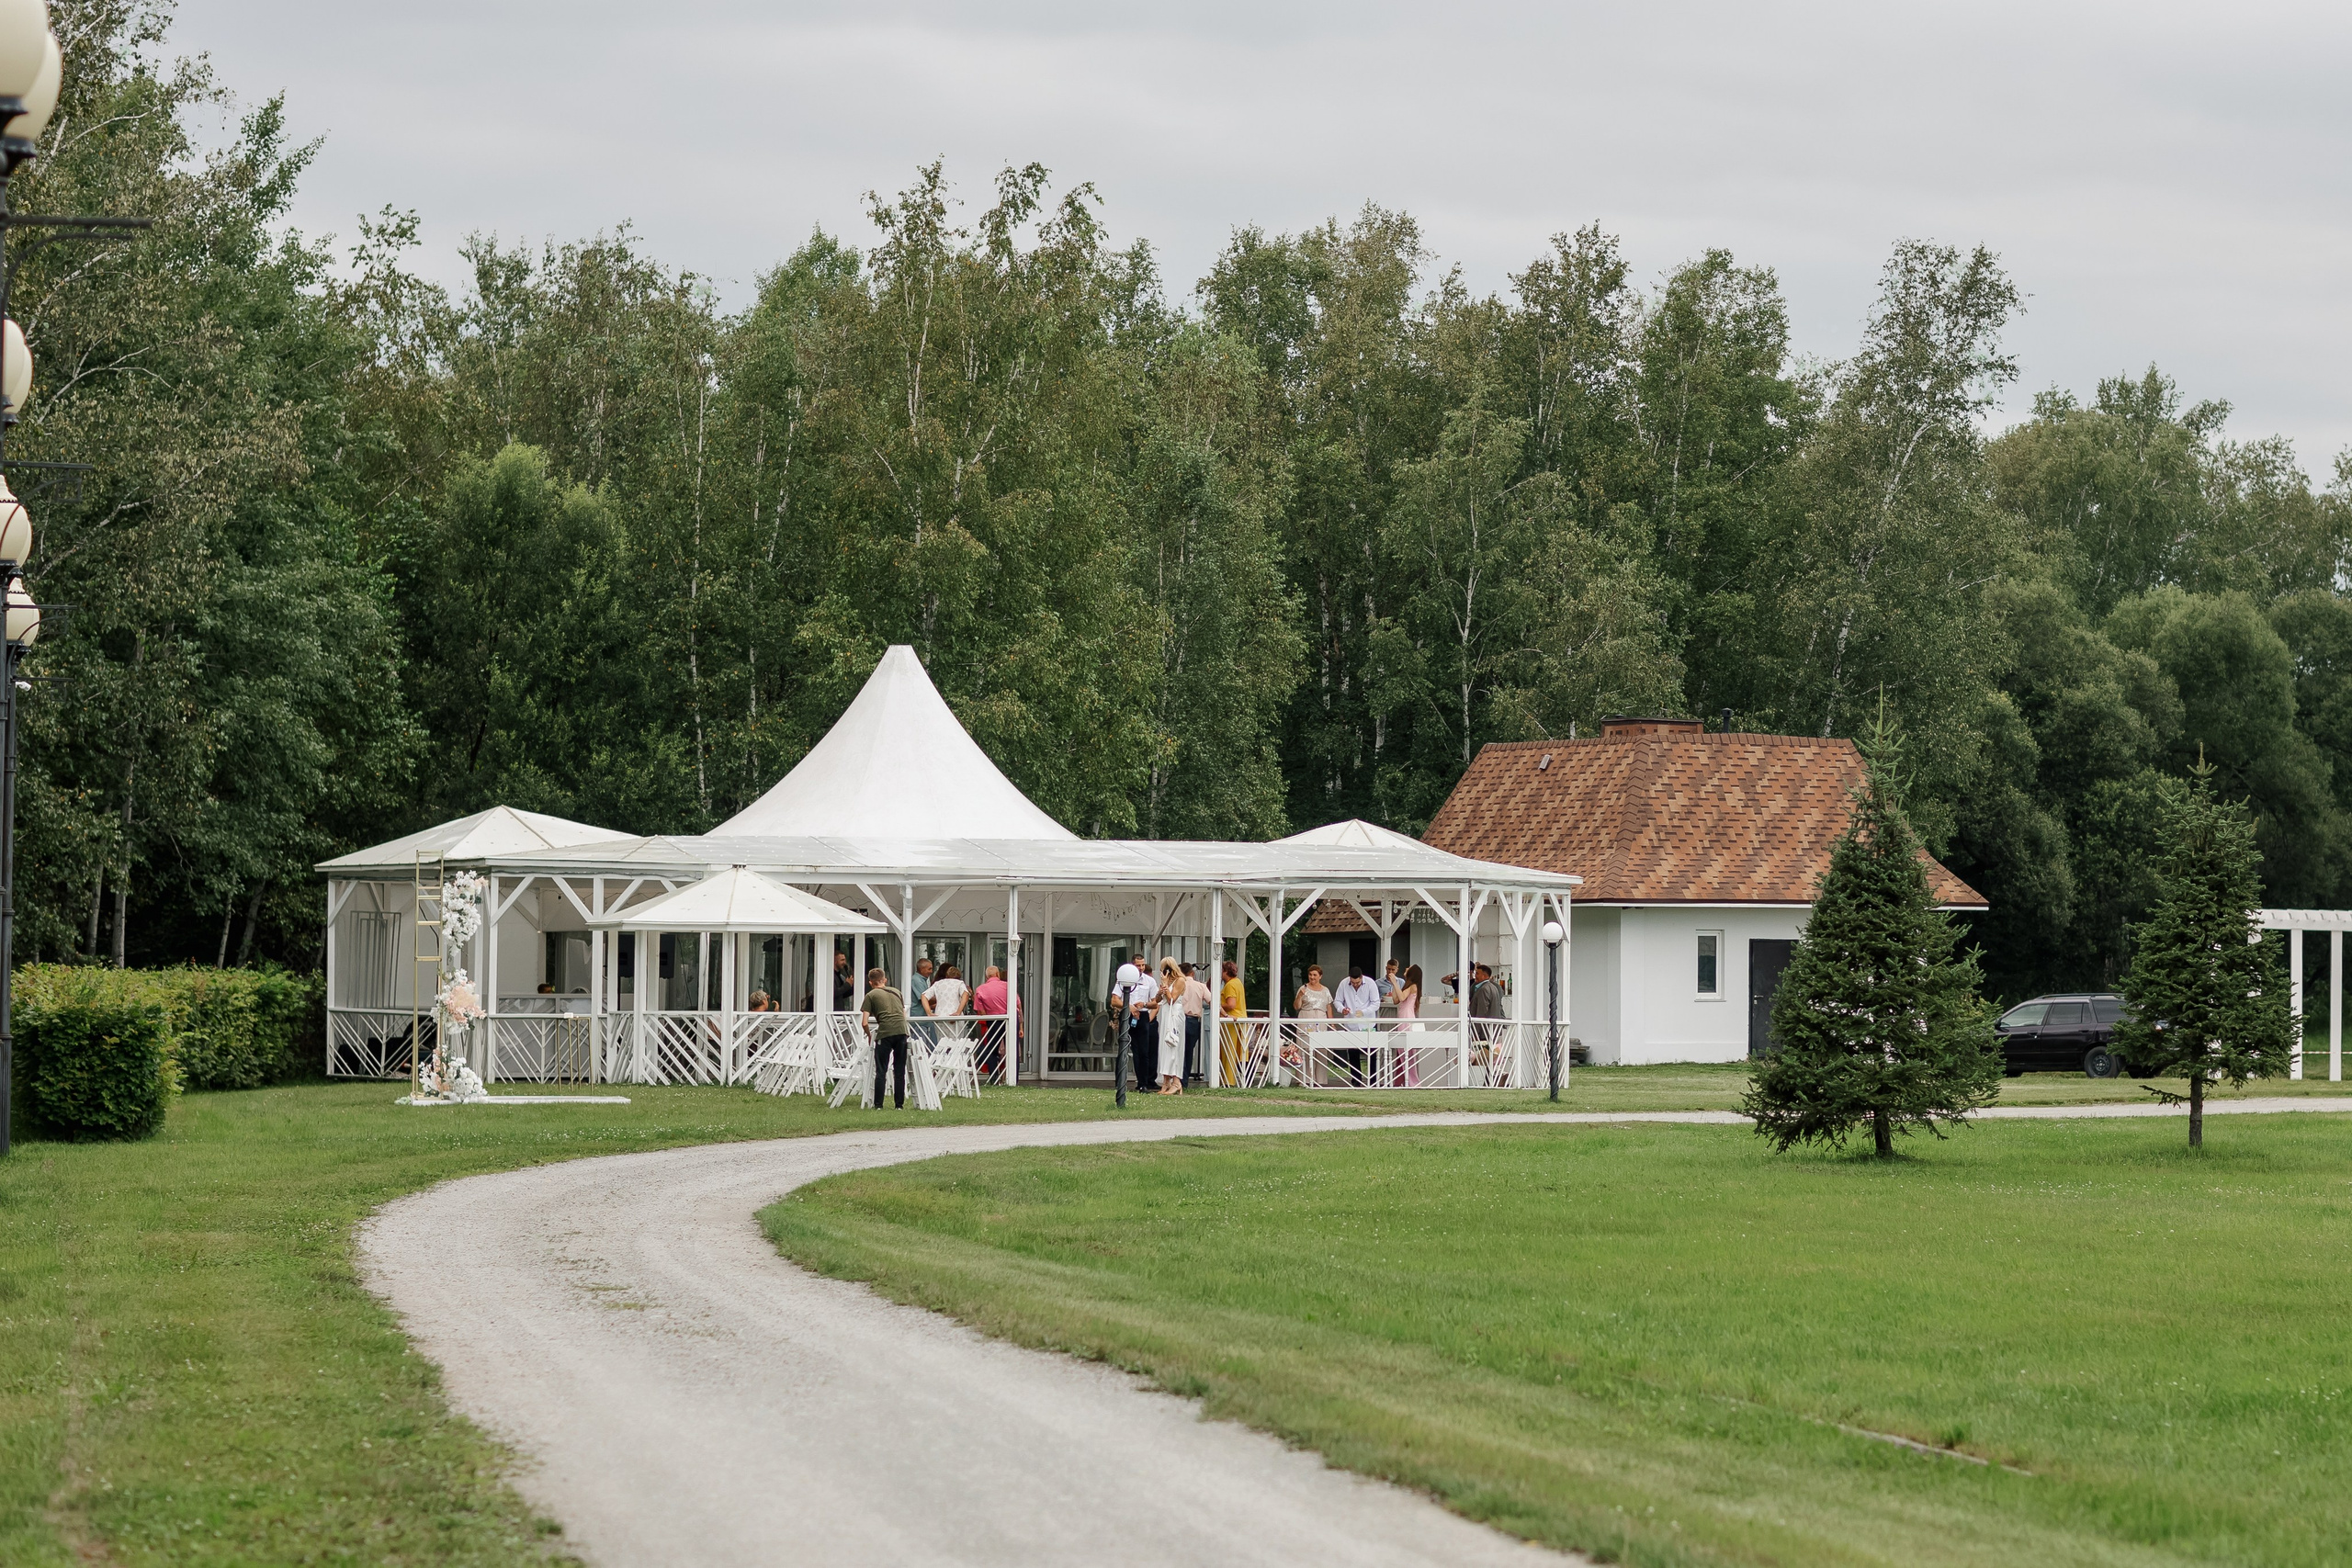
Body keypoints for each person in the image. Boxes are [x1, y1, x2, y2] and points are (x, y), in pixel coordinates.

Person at [861, 965, 910, 1109]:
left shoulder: (871, 995)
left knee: (881, 1070)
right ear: (885, 980)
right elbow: (903, 1015)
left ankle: (878, 1105)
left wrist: (869, 1035)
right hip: (902, 1032)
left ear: (871, 983)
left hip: (885, 1033)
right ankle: (899, 1105)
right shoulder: (897, 992)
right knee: (899, 1070)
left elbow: (864, 1022)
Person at [1333, 962, 1381, 1087]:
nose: (1355, 985)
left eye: (1357, 983)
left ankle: (1372, 1081)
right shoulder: (1344, 984)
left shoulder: (1370, 983)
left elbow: (1376, 1003)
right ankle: (1356, 1080)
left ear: (1361, 977)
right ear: (1350, 978)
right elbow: (1337, 1001)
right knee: (1353, 1054)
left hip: (1368, 1024)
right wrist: (1341, 1009)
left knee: (1371, 1053)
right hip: (1351, 1023)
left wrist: (1364, 1012)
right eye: (1353, 983)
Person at [1154, 958, 1188, 1093]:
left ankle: (1176, 1081)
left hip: (1175, 1013)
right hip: (1166, 1013)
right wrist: (1161, 989)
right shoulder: (1166, 981)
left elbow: (1172, 999)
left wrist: (1166, 987)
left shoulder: (1180, 980)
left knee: (1174, 1045)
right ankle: (1166, 1081)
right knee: (1164, 1047)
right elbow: (1158, 1000)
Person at [1179, 962, 1209, 1083]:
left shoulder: (1178, 985)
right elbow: (1211, 1000)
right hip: (1193, 1020)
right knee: (1189, 1050)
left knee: (1178, 1050)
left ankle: (1177, 1078)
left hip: (1180, 1018)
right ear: (1192, 972)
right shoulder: (1201, 986)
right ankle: (1184, 1080)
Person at [1218, 959, 1247, 1084]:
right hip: (1241, 1019)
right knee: (1237, 1052)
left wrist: (1218, 1005)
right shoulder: (1238, 982)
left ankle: (1228, 1080)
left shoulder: (1229, 985)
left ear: (1225, 972)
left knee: (1228, 1051)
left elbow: (1231, 1005)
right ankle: (1234, 1078)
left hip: (1231, 1021)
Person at [1396, 964, 1423, 1087]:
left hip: (1406, 1018)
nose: (1406, 969)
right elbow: (1395, 999)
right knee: (1401, 1050)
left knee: (1406, 1051)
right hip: (1404, 1016)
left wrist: (1394, 982)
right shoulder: (1409, 986)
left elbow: (1401, 998)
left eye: (1409, 968)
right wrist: (1394, 983)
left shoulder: (1413, 986)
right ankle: (1404, 1080)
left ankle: (1412, 1081)